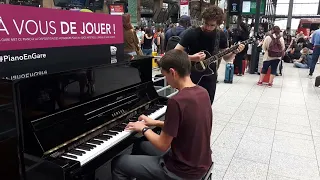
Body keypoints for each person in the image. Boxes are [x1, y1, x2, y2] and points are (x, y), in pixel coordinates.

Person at [111, 49, 213, 180]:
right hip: (200, 163)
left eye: (165, 76)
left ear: (172, 72)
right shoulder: (203, 92)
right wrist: (155, 122)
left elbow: (162, 144)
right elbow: (187, 125)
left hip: (181, 171)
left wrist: (143, 128)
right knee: (140, 145)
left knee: (119, 163)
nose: (167, 81)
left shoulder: (177, 101)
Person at [174, 5, 245, 103]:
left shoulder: (221, 35)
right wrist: (192, 57)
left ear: (218, 24)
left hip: (210, 77)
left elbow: (226, 58)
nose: (207, 27)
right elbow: (174, 53)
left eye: (212, 25)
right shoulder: (192, 33)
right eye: (206, 23)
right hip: (190, 75)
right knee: (188, 105)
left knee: (206, 106)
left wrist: (235, 52)